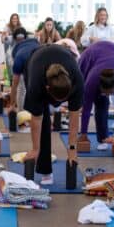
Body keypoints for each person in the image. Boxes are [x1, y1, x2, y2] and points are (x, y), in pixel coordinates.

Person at [22, 43, 84, 185]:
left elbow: (74, 117)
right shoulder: (36, 84)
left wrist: (73, 149)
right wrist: (35, 149)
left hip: (62, 57)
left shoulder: (77, 81)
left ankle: (47, 166)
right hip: (35, 60)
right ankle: (45, 171)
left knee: (68, 114)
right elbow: (36, 120)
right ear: (47, 89)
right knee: (42, 119)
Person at [77, 40, 114, 150]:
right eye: (104, 91)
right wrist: (83, 134)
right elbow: (87, 109)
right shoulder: (92, 82)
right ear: (99, 85)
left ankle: (103, 138)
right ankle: (102, 138)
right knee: (100, 101)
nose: (107, 94)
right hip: (91, 54)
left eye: (109, 92)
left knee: (103, 102)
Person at [9, 26, 40, 111]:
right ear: (15, 39)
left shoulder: (20, 56)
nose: (20, 40)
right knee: (21, 87)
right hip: (38, 61)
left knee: (36, 88)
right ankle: (22, 111)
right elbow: (15, 85)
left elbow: (14, 86)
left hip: (39, 63)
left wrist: (11, 105)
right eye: (18, 39)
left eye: (21, 38)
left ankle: (33, 112)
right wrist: (12, 104)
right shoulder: (18, 58)